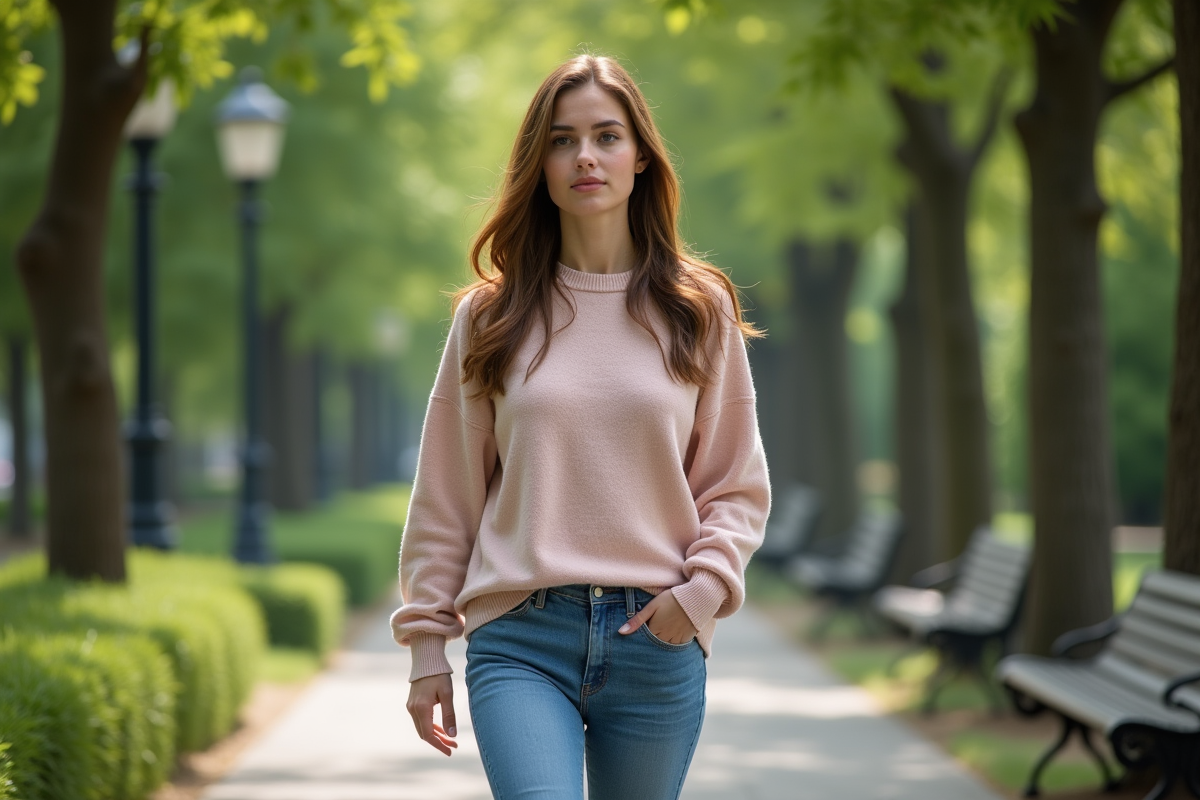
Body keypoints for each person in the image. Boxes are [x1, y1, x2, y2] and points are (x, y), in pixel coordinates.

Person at [390, 53, 772, 800]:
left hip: (654, 638)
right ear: (539, 164)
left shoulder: (699, 310)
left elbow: (734, 483)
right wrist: (427, 648)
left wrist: (696, 600)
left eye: (606, 135)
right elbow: (446, 496)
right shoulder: (490, 317)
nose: (585, 157)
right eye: (562, 140)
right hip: (521, 638)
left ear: (640, 158)